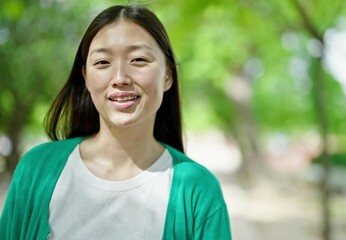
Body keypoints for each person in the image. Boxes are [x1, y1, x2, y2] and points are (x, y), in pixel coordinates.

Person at [0, 5, 231, 240]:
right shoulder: (36, 170)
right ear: (86, 77)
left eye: (138, 59)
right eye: (102, 62)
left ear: (168, 76)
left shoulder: (197, 189)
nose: (120, 78)